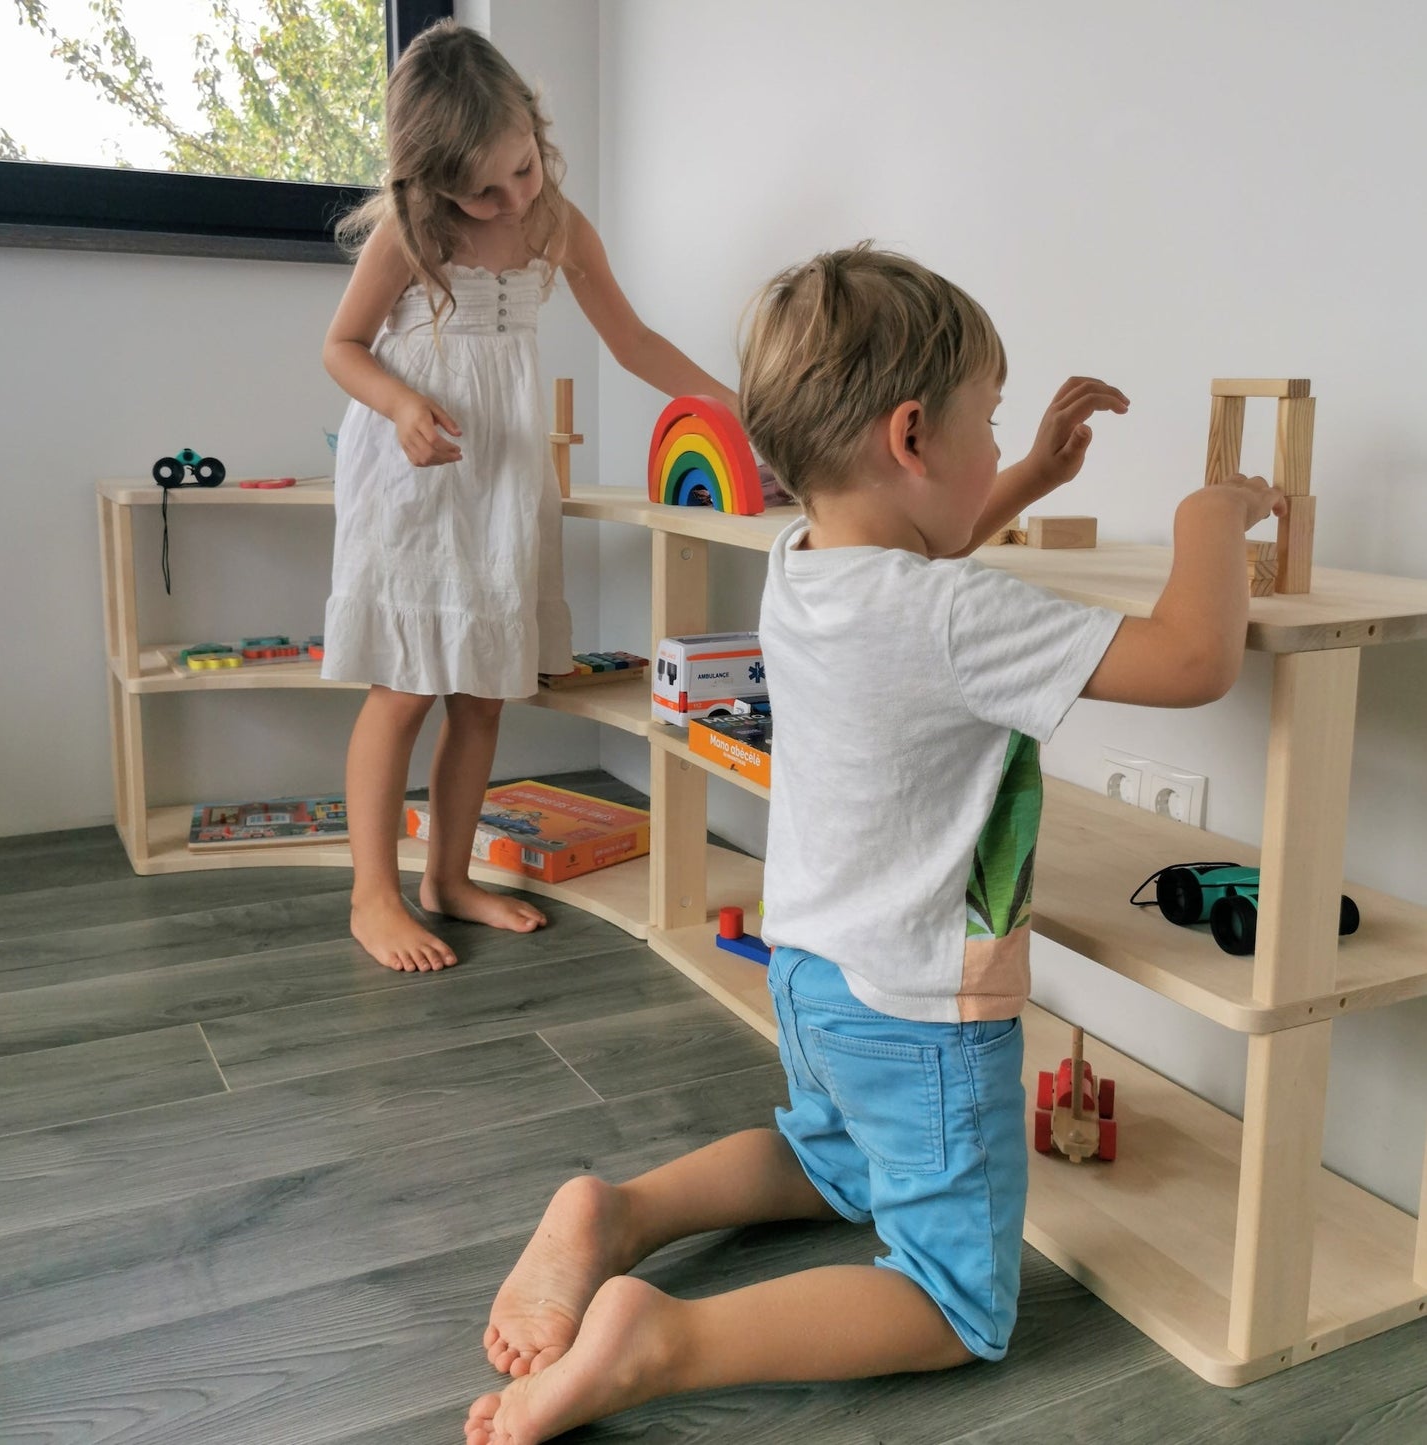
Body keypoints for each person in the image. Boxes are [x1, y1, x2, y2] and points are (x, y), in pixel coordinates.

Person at [464, 244, 1285, 1444]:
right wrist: (1209, 517)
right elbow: (1196, 658)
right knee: (955, 1299)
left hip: (811, 977)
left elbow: (918, 552)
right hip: (914, 1012)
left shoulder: (804, 566)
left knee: (835, 1159)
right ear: (911, 437)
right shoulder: (957, 613)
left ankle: (615, 1209)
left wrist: (1034, 476)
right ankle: (663, 1337)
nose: (1002, 450)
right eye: (992, 426)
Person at [321, 22, 734, 972]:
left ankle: (448, 878)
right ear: (429, 184)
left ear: (531, 132)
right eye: (485, 189)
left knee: (483, 693)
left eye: (522, 170)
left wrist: (738, 410)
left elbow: (634, 344)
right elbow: (340, 346)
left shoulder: (555, 222)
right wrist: (399, 403)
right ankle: (371, 893)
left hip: (500, 476)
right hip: (412, 475)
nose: (511, 198)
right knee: (406, 685)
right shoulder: (410, 233)